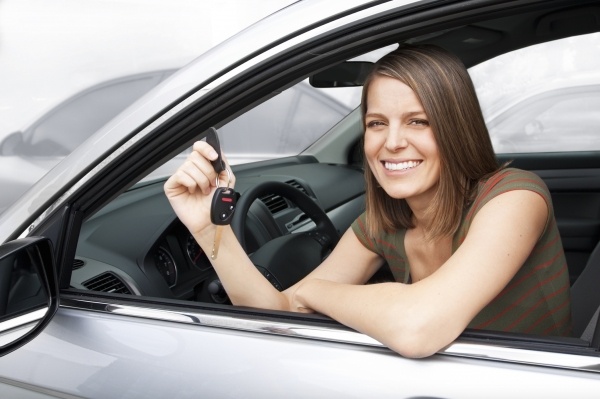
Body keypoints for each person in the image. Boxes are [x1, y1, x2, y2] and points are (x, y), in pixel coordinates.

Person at [164, 44, 572, 358]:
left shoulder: (515, 196)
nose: (392, 143)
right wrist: (208, 227)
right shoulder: (382, 225)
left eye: (419, 121)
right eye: (377, 124)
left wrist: (313, 294)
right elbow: (277, 313)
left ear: (456, 128)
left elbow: (417, 328)